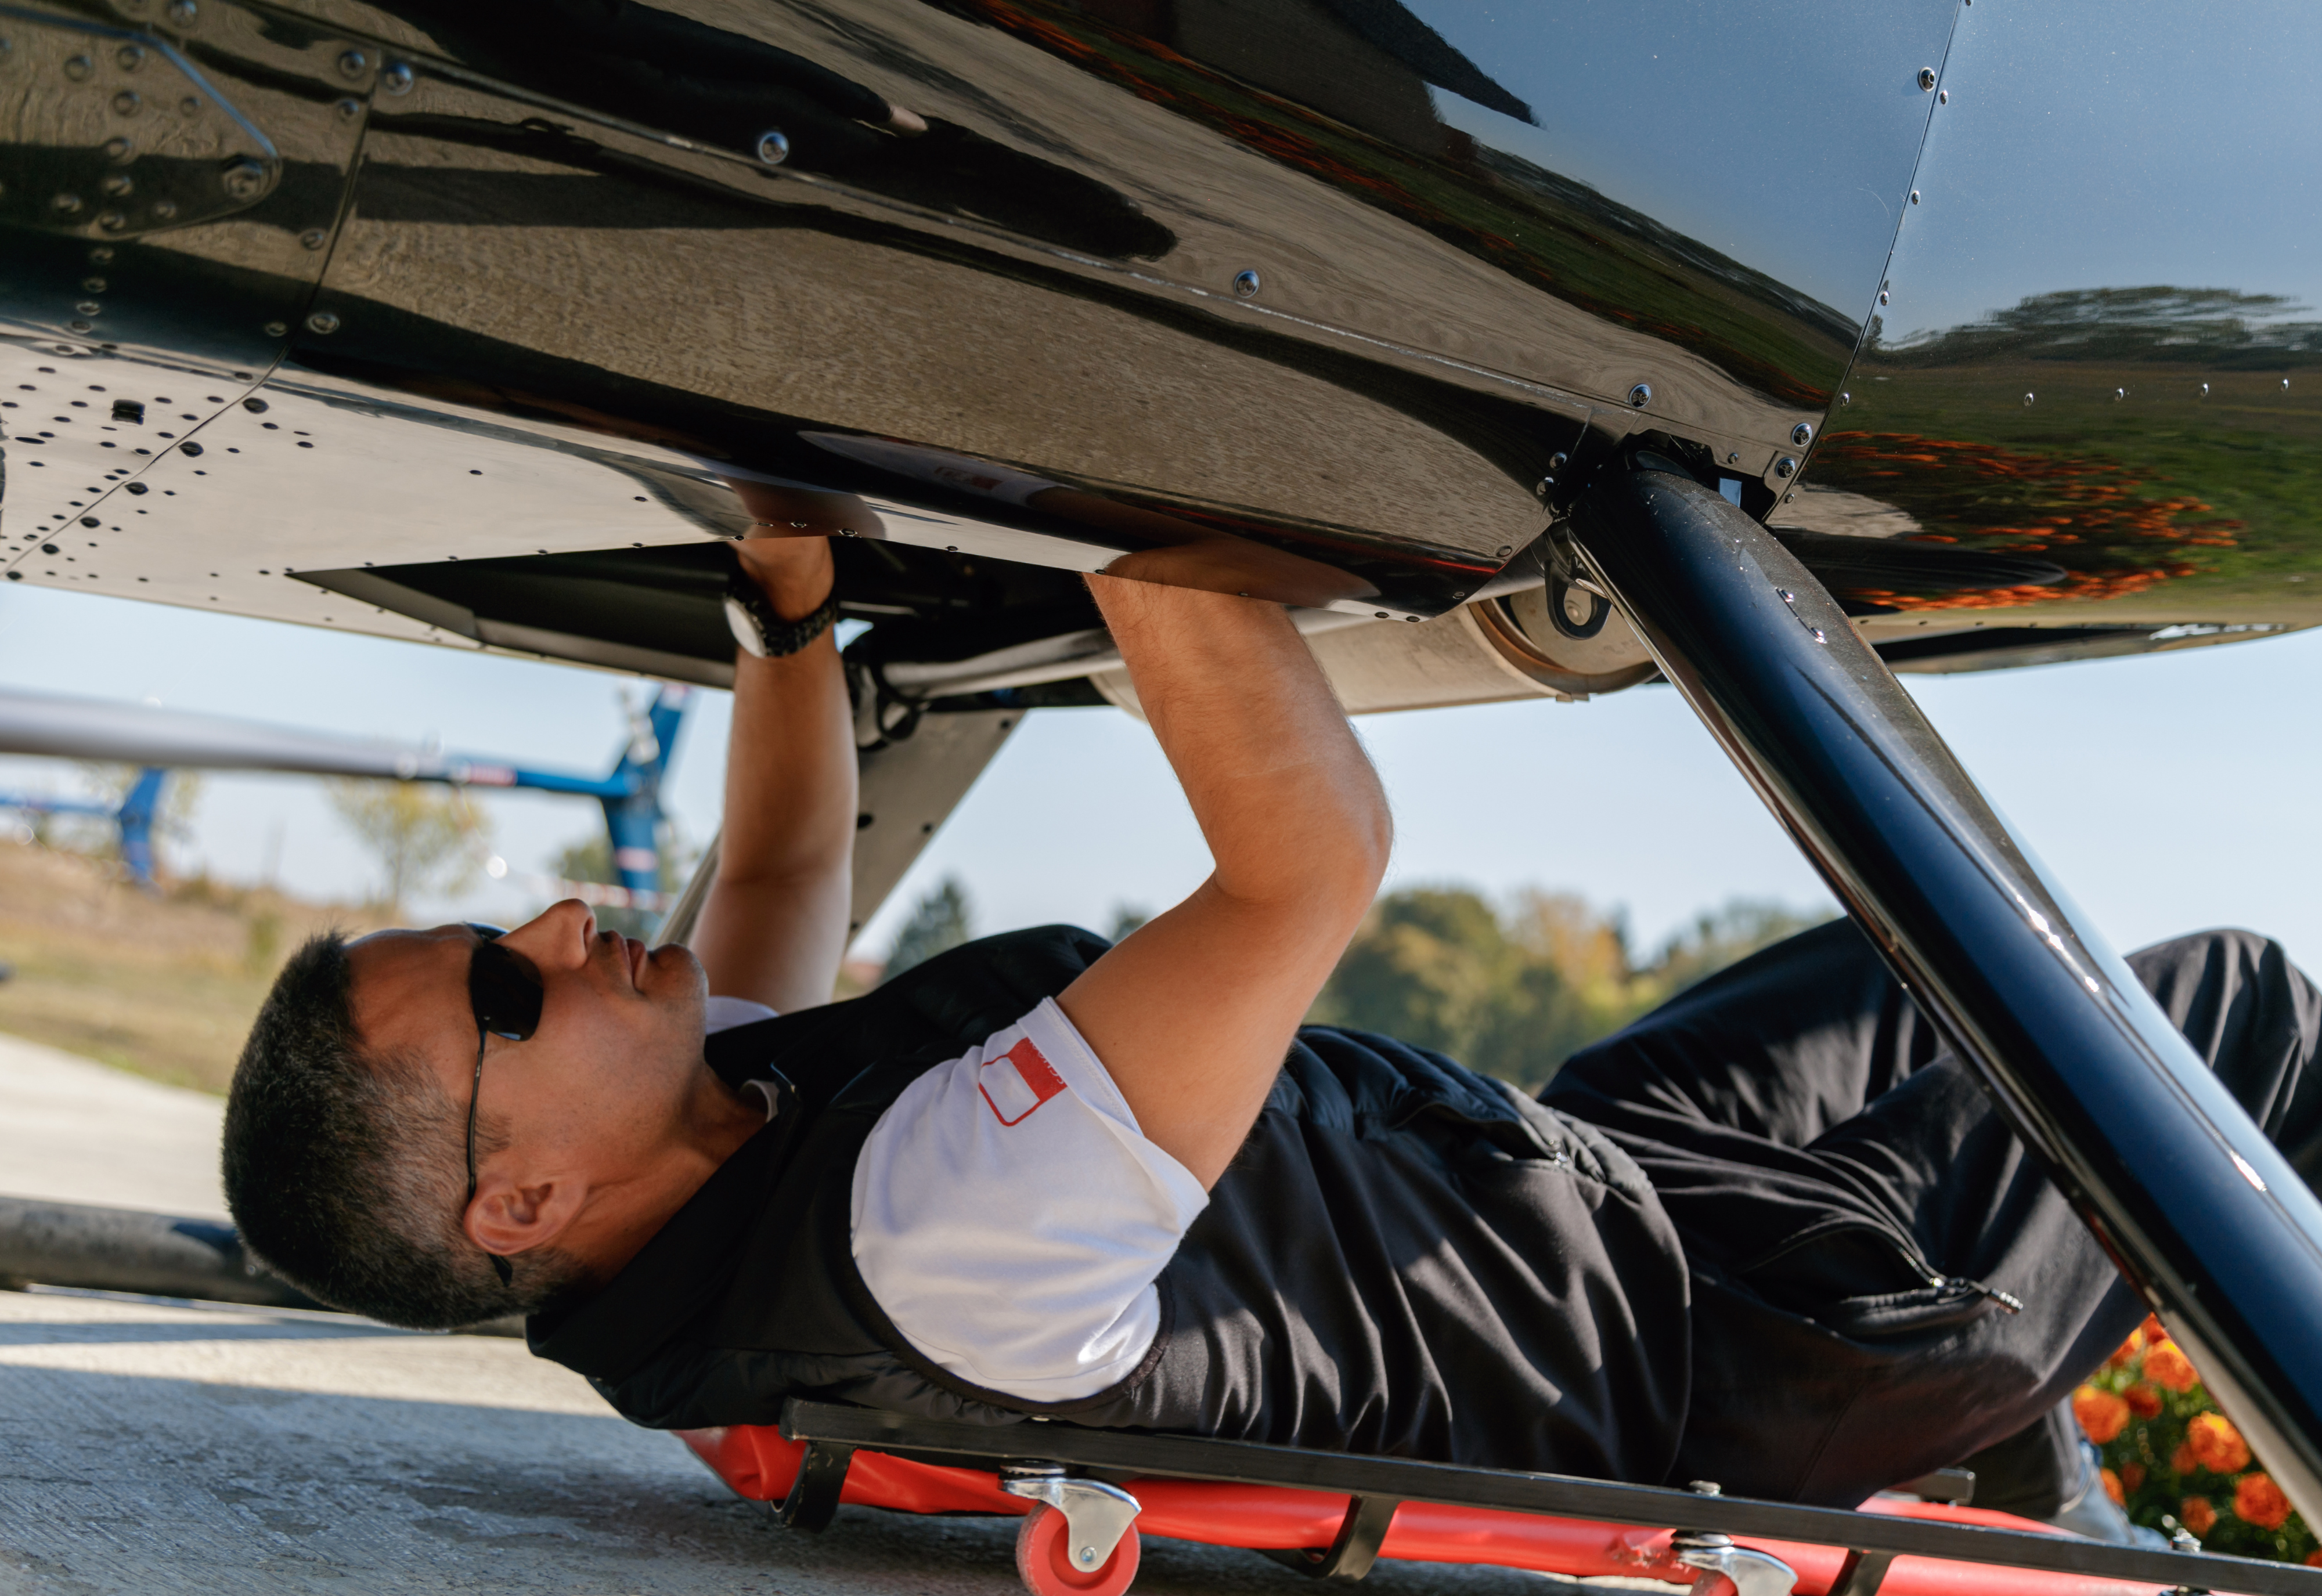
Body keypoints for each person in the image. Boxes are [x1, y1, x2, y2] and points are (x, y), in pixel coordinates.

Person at [222, 527, 2322, 1533]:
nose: (566, 919)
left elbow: (766, 896)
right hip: (1734, 1335)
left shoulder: (702, 1163)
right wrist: (1158, 515)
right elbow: (1308, 862)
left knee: (1972, 954)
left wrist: (784, 616)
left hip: (1563, 1171)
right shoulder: (926, 1239)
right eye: (507, 981)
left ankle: (2035, 1412)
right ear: (519, 1194)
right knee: (2232, 1008)